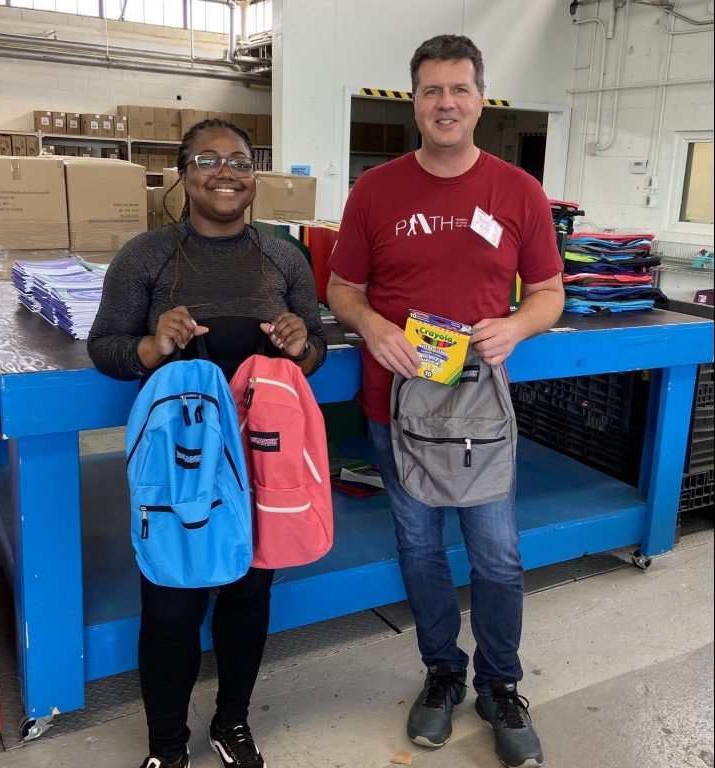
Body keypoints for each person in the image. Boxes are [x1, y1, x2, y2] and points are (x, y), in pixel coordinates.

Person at [326, 35, 564, 768]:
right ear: (415, 102)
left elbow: (552, 292)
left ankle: (500, 683)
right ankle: (441, 672)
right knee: (420, 549)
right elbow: (343, 288)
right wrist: (372, 329)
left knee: (497, 554)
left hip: (479, 413)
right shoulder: (375, 192)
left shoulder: (517, 192)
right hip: (395, 408)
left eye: (459, 89)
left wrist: (516, 325)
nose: (446, 103)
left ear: (481, 99)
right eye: (431, 91)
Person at [88, 118, 326, 768]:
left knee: (249, 591)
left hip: (259, 453)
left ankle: (233, 722)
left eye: (240, 162)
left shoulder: (284, 258)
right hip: (179, 460)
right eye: (208, 160)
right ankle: (167, 746)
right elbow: (104, 345)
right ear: (184, 174)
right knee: (171, 600)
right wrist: (150, 345)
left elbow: (316, 347)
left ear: (255, 177)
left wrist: (301, 346)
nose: (225, 172)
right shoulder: (146, 256)